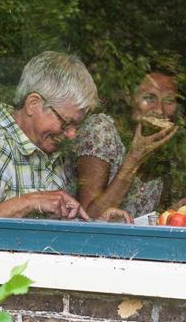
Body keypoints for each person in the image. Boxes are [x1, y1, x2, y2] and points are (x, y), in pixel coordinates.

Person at [0, 51, 130, 222]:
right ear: (33, 104)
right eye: (66, 123)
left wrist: (96, 223)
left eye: (77, 126)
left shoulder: (44, 149)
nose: (71, 134)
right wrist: (30, 201)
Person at [73, 71, 180, 219]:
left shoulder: (160, 145)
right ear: (129, 96)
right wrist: (134, 160)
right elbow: (87, 218)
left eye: (169, 100)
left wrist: (174, 211)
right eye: (150, 98)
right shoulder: (101, 130)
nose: (160, 109)